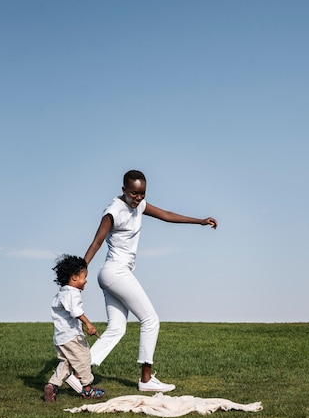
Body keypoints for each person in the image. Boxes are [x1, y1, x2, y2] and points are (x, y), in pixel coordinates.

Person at [83, 169, 218, 393]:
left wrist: (199, 221)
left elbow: (166, 215)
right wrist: (81, 269)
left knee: (116, 328)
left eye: (142, 193)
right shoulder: (113, 211)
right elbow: (97, 241)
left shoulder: (141, 206)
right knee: (150, 320)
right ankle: (146, 380)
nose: (138, 198)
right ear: (124, 190)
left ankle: (80, 372)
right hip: (115, 272)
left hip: (113, 274)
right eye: (134, 193)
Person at [44, 254, 105, 402]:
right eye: (84, 276)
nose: (86, 280)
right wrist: (88, 323)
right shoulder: (73, 293)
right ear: (74, 277)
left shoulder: (62, 293)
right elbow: (76, 311)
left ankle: (52, 385)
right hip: (72, 337)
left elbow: (67, 315)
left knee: (66, 362)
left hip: (61, 338)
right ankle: (87, 389)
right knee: (84, 358)